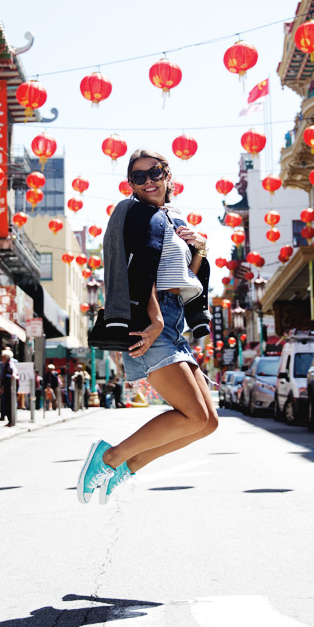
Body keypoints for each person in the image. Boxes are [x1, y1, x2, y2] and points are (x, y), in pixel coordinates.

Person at [76, 148, 218, 506]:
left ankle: (128, 465)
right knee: (194, 415)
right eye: (138, 177)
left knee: (209, 422)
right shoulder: (133, 212)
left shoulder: (170, 218)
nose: (149, 181)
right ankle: (109, 457)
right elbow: (137, 271)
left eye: (155, 173)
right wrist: (153, 319)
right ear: (131, 185)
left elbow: (185, 277)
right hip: (151, 318)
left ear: (168, 174)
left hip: (173, 319)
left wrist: (199, 248)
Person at [0, 348, 15, 422]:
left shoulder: (9, 364)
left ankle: (11, 420)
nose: (2, 358)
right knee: (6, 403)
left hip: (9, 387)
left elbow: (11, 374)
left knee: (9, 403)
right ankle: (10, 420)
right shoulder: (6, 364)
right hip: (6, 386)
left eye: (3, 357)